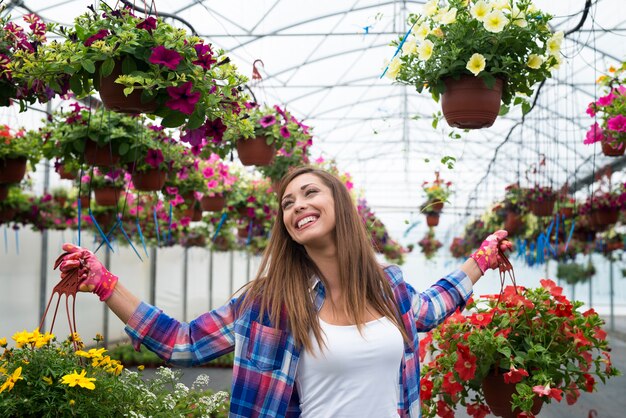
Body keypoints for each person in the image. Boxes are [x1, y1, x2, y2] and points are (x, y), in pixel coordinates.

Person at [56, 166, 512, 418]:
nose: (297, 206)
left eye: (309, 193)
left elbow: (430, 309)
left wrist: (483, 259)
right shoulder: (270, 302)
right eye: (287, 204)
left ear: (338, 204)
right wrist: (104, 283)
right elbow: (182, 343)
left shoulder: (387, 284)